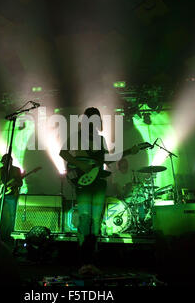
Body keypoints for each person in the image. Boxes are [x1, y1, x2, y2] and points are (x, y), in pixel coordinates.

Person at [59, 107, 141, 276]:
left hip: (98, 181)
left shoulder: (101, 139)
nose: (94, 123)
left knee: (96, 221)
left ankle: (92, 262)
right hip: (83, 179)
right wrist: (81, 164)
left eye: (97, 120)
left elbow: (106, 159)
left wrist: (129, 152)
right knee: (84, 219)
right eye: (91, 119)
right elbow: (63, 153)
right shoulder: (77, 136)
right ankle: (83, 262)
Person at [0, 154, 23, 246]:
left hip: (12, 196)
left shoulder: (16, 170)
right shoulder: (1, 170)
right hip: (1, 195)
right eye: (3, 162)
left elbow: (20, 183)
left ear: (10, 161)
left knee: (13, 216)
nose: (3, 163)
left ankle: (8, 235)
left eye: (5, 161)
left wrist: (15, 183)